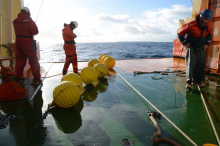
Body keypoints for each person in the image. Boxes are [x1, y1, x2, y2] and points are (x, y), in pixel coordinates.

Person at [178, 9, 213, 90]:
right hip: (192, 47)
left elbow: (210, 35)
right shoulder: (190, 24)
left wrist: (207, 43)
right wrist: (185, 43)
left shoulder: (208, 26)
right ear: (200, 16)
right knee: (191, 63)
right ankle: (189, 82)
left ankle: (199, 81)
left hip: (201, 48)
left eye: (207, 19)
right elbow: (180, 34)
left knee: (201, 64)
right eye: (204, 18)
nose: (205, 21)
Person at [13, 7, 42, 84]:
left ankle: (17, 80)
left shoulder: (15, 21)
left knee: (20, 61)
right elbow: (35, 31)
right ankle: (37, 80)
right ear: (28, 13)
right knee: (33, 60)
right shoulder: (29, 20)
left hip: (19, 42)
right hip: (28, 42)